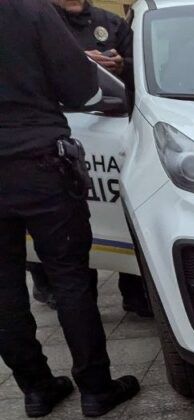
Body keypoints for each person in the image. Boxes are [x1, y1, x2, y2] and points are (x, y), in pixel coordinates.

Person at [0, 0, 141, 418]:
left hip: (27, 161)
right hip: (37, 162)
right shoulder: (30, 11)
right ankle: (96, 388)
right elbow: (83, 90)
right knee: (70, 277)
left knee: (4, 288)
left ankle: (37, 389)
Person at [28, 0, 151, 317]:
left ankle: (135, 292)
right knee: (65, 232)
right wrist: (77, 62)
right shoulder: (37, 21)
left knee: (117, 214)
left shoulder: (111, 23)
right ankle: (54, 288)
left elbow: (139, 74)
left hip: (108, 129)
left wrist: (120, 65)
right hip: (56, 139)